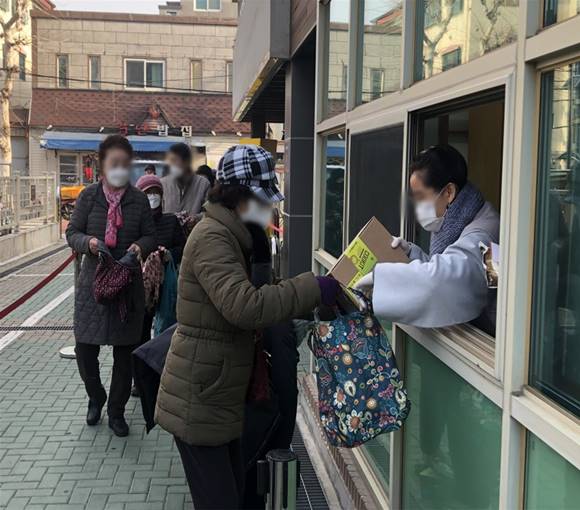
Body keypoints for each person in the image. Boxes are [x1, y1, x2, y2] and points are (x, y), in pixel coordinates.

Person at [155, 144, 340, 510]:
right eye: (262, 199)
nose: (269, 208)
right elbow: (245, 306)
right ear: (240, 197)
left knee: (235, 495)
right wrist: (312, 288)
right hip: (201, 400)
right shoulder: (213, 238)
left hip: (217, 391)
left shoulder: (234, 235)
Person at [66, 135, 156, 437]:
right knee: (85, 349)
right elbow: (72, 232)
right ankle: (96, 397)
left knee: (125, 353)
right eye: (113, 163)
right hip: (93, 285)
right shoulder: (89, 197)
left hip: (128, 286)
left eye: (123, 163)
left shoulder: (138, 199)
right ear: (102, 164)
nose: (119, 168)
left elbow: (150, 236)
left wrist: (139, 248)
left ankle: (116, 411)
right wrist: (88, 243)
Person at [356, 144, 500, 333]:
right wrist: (410, 254)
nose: (417, 206)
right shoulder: (467, 219)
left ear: (449, 192)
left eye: (421, 196)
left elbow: (447, 284)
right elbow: (452, 271)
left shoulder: (487, 238)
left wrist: (381, 278)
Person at [132, 174, 186, 396]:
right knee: (141, 334)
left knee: (166, 331)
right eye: (148, 194)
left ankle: (166, 375)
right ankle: (140, 380)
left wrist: (166, 255)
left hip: (167, 287)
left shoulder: (171, 221)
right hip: (142, 289)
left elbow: (182, 248)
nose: (152, 198)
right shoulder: (134, 224)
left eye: (156, 193)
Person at [161, 143, 211, 221]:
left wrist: (196, 218)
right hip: (168, 232)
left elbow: (209, 213)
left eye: (175, 160)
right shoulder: (163, 184)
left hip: (194, 232)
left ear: (187, 162)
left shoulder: (203, 184)